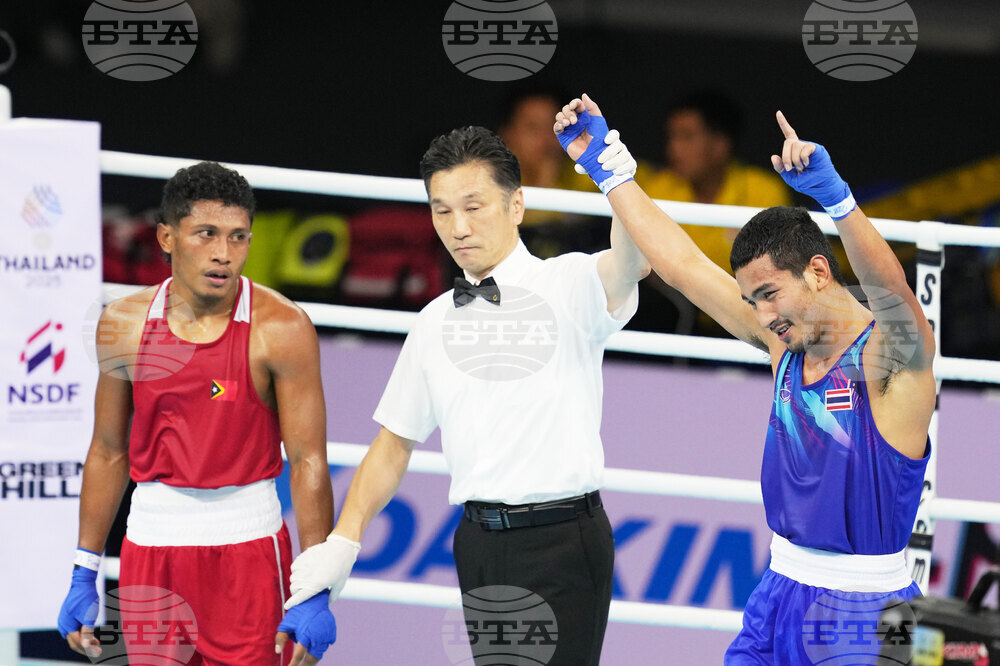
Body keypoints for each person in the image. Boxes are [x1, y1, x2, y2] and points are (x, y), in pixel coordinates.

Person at [554, 95, 934, 664]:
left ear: (819, 271)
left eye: (769, 294)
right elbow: (682, 265)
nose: (759, 316)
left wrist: (838, 201)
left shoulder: (892, 366)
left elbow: (893, 294)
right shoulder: (785, 348)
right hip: (778, 594)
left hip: (869, 614)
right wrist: (608, 168)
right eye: (752, 300)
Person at [283, 126, 649, 665]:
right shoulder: (433, 321)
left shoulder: (568, 282)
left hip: (561, 540)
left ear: (516, 205)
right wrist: (341, 547)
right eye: (442, 211)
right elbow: (393, 444)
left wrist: (616, 174)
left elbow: (633, 261)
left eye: (474, 207)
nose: (458, 228)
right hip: (477, 542)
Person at [56, 161, 337, 666]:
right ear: (166, 236)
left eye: (238, 237)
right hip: (151, 550)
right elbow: (108, 449)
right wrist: (84, 568)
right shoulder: (124, 323)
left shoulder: (282, 328)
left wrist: (316, 587)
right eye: (206, 234)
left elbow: (309, 460)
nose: (223, 254)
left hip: (247, 552)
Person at [632, 92, 792, 336]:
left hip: (748, 321)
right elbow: (645, 268)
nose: (674, 148)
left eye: (686, 137)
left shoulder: (764, 192)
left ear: (720, 145)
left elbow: (774, 274)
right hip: (675, 320)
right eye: (672, 137)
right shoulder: (658, 189)